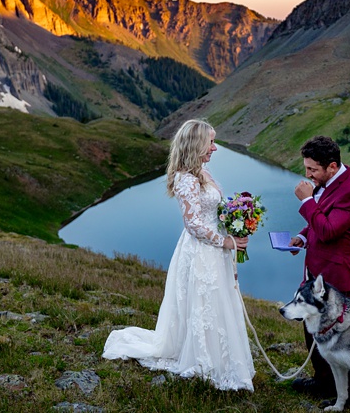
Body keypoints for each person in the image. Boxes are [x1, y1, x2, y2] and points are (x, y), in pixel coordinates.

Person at [102, 119, 255, 391]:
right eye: (211, 142)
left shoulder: (204, 172)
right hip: (201, 251)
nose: (215, 148)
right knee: (204, 303)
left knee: (217, 302)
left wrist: (236, 218)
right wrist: (226, 241)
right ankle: (205, 361)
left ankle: (222, 359)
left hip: (215, 250)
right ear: (197, 144)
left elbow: (212, 211)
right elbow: (193, 224)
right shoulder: (185, 178)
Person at [287, 135, 350, 403]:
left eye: (313, 169)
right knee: (314, 333)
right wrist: (303, 235)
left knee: (345, 341)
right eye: (306, 167)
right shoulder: (328, 182)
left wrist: (306, 202)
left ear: (332, 166)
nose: (307, 174)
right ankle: (323, 382)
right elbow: (320, 222)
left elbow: (330, 230)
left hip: (339, 279)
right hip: (317, 277)